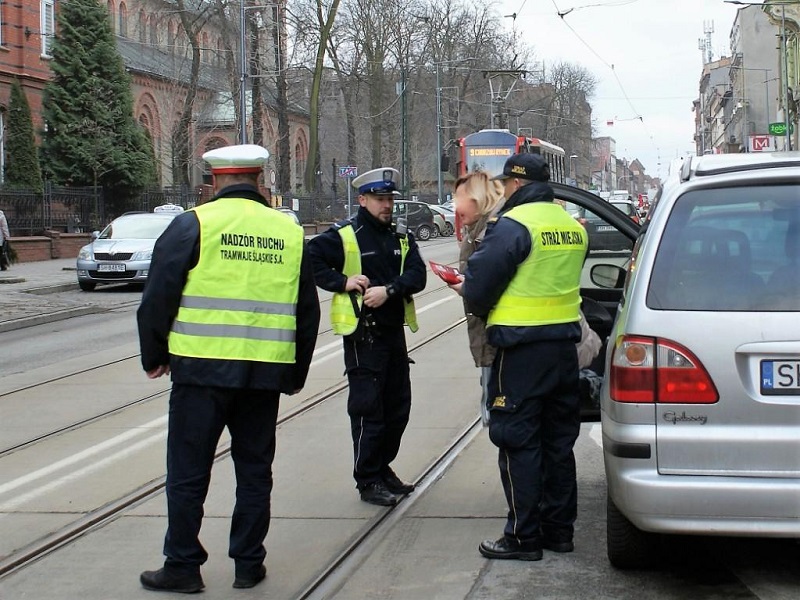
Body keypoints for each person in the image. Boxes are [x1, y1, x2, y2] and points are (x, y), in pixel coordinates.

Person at [137, 144, 320, 593]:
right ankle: (248, 564)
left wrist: (155, 355)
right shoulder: (288, 232)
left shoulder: (193, 224)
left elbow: (158, 296)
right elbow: (306, 311)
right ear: (259, 180)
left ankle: (182, 565)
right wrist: (295, 373)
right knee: (255, 470)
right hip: (264, 373)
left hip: (201, 371)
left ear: (215, 181)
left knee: (188, 471)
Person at [451, 153, 588, 561]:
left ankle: (523, 537)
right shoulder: (571, 226)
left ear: (515, 184)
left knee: (518, 442)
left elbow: (479, 289)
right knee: (558, 444)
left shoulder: (513, 226)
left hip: (520, 353)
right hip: (564, 351)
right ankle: (559, 532)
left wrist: (467, 289)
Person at [308, 167, 426, 507]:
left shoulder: (400, 235)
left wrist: (389, 290)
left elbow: (417, 274)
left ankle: (382, 467)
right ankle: (368, 479)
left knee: (398, 409)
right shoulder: (347, 234)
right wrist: (342, 282)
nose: (386, 205)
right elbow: (311, 259)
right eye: (379, 199)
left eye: (389, 199)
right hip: (365, 337)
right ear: (362, 200)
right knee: (368, 411)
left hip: (393, 334)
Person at [452, 171, 506, 426]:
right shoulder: (477, 231)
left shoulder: (492, 234)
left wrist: (468, 287)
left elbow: (491, 286)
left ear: (478, 199)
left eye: (460, 199)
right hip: (492, 336)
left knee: (500, 415)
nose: (456, 208)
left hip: (500, 338)